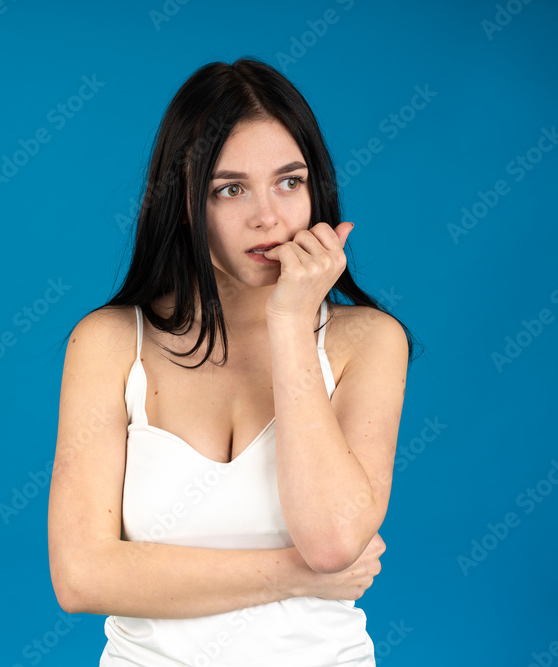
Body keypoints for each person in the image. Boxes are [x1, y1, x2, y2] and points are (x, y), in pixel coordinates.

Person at [47, 56, 417, 666]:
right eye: (230, 189)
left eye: (289, 182)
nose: (267, 216)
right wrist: (291, 575)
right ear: (184, 202)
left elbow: (331, 542)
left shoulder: (370, 342)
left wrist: (290, 323)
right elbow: (81, 577)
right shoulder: (109, 344)